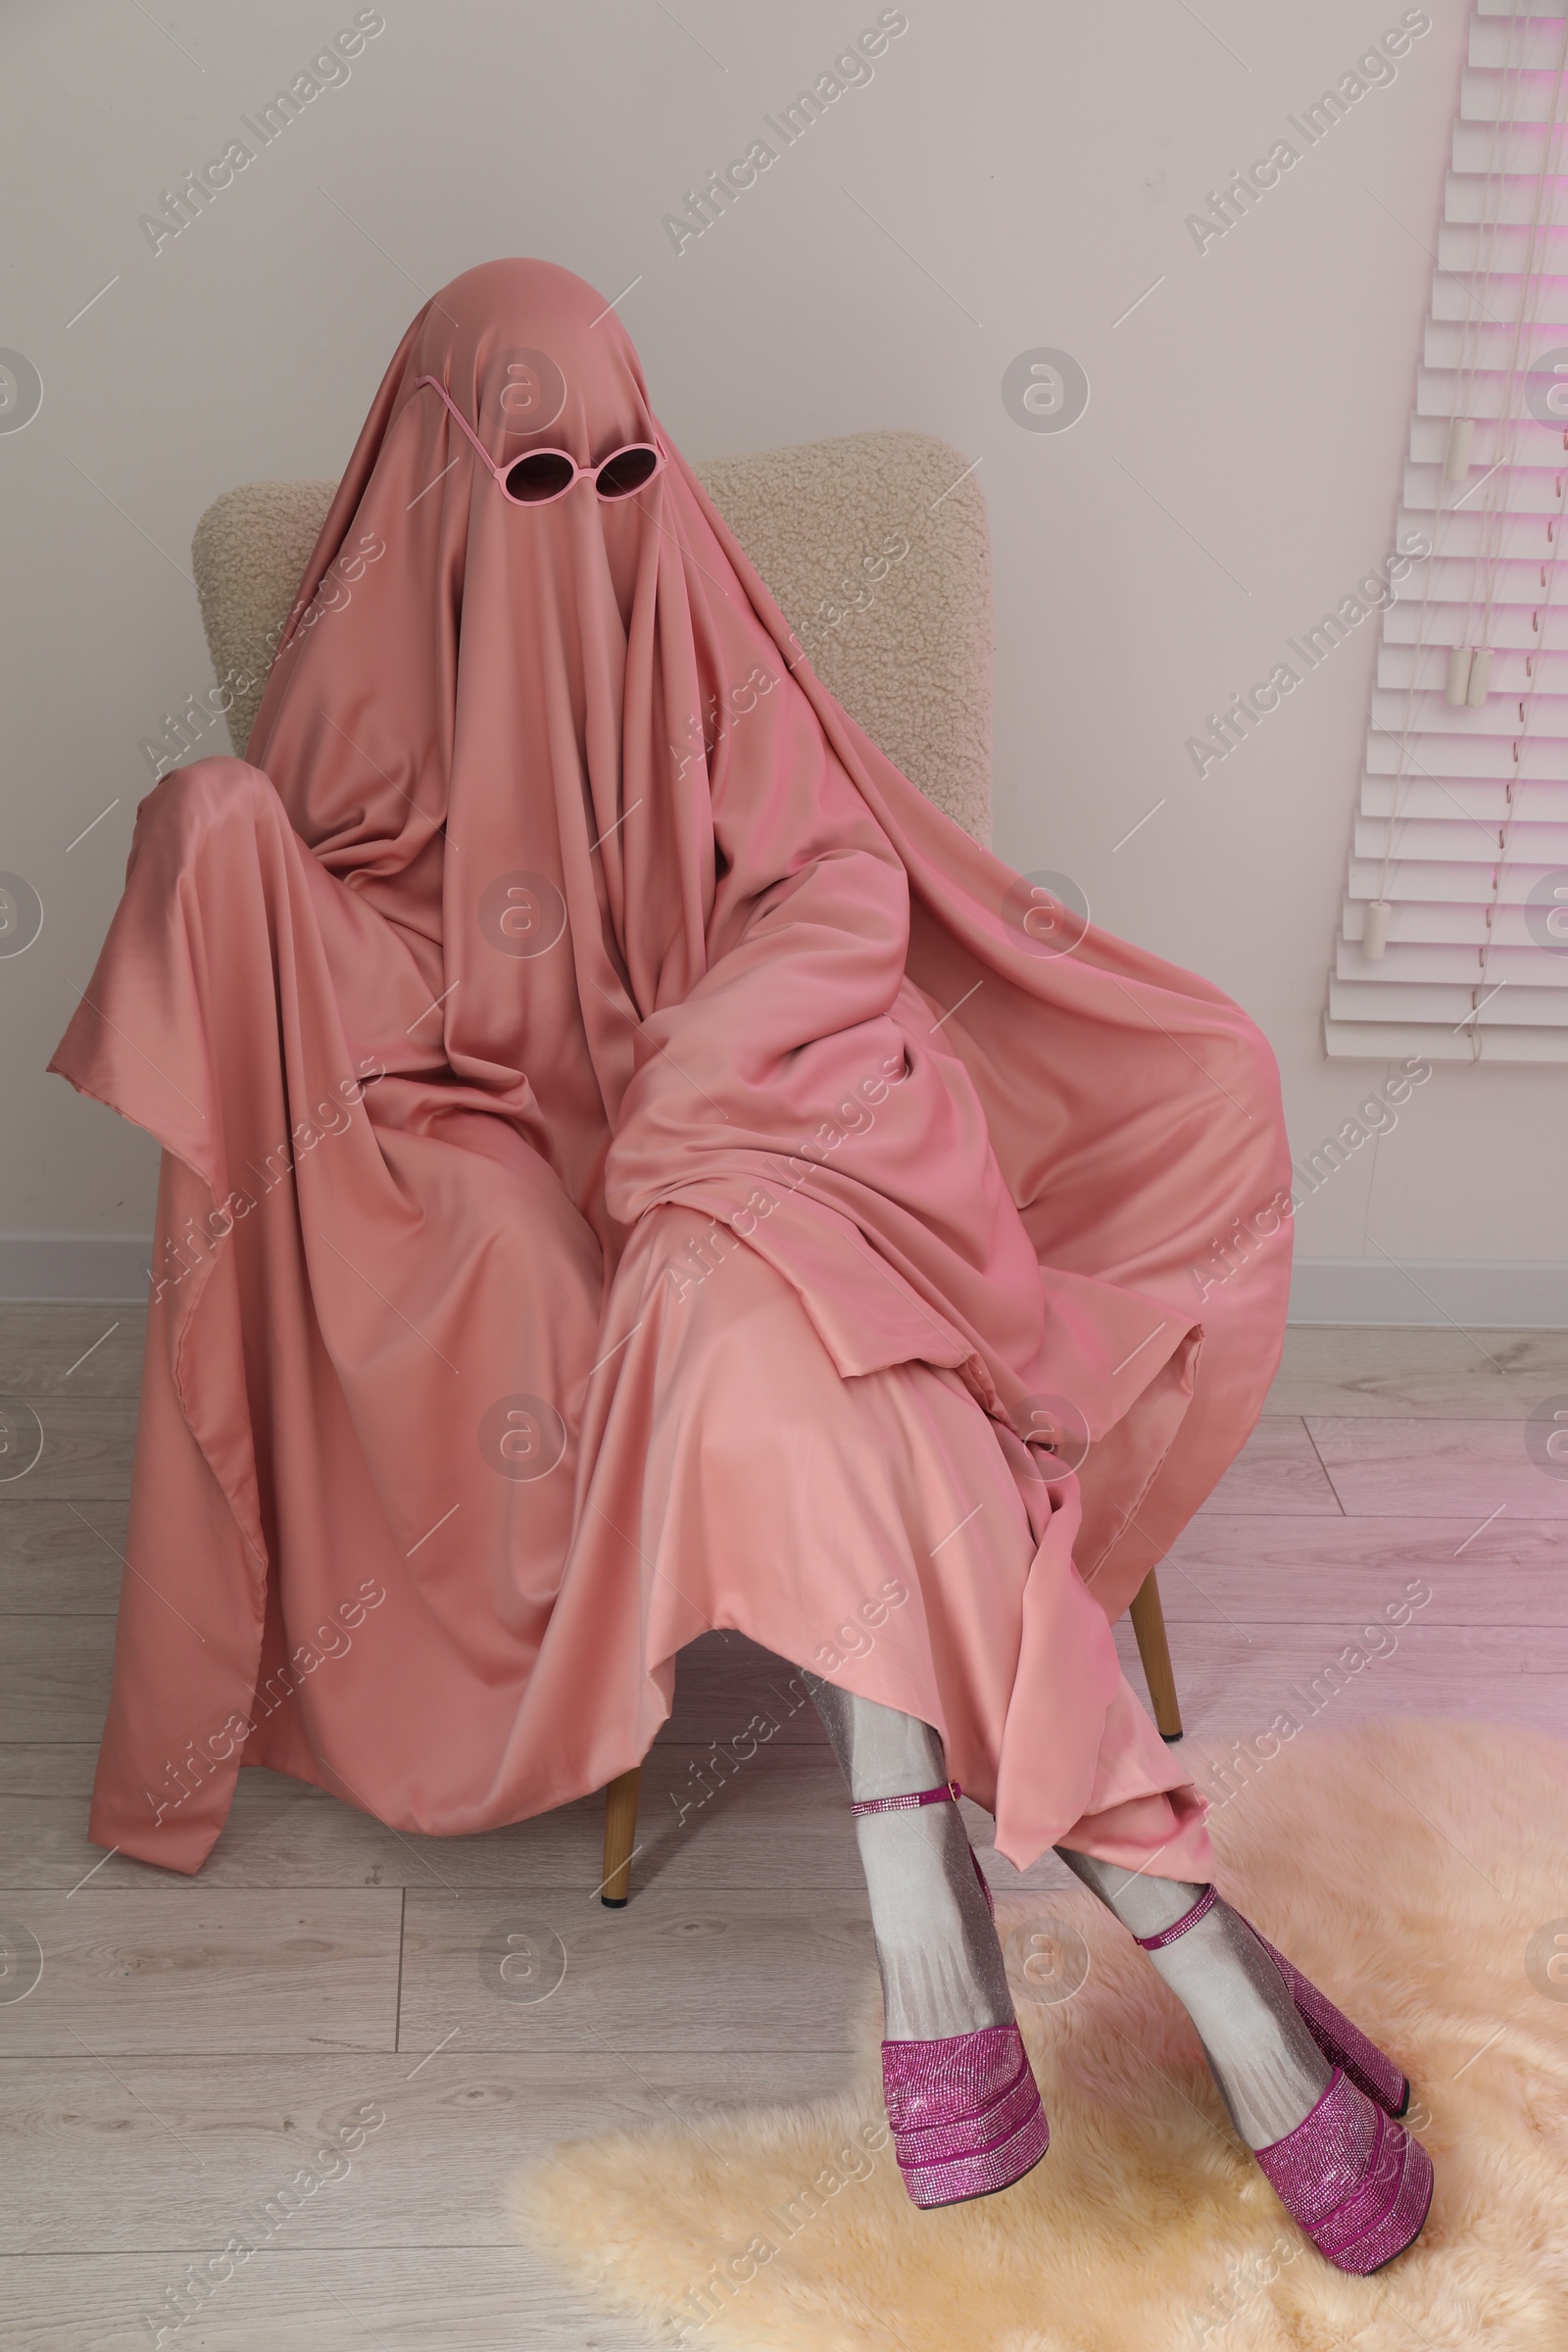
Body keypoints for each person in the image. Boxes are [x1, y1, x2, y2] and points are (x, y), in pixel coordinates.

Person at [49, 259, 1431, 2272]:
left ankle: (935, 1906)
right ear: (438, 485)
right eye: (536, 477)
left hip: (784, 1120)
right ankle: (1173, 1935)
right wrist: (226, 865)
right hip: (581, 1198)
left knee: (761, 1264)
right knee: (779, 1345)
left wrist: (702, 1087)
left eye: (626, 467)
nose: (594, 524)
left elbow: (833, 881)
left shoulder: (687, 635)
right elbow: (378, 1009)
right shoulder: (371, 712)